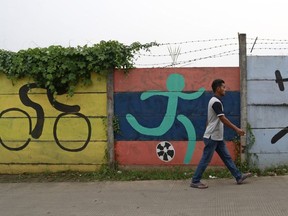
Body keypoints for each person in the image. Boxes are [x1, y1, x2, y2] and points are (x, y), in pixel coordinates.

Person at [190, 79, 252, 189]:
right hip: (212, 137)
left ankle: (238, 177)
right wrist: (237, 129)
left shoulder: (215, 101)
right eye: (223, 87)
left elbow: (210, 120)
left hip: (216, 137)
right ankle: (195, 180)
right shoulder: (215, 102)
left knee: (227, 158)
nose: (225, 90)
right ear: (218, 88)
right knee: (206, 159)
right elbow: (222, 119)